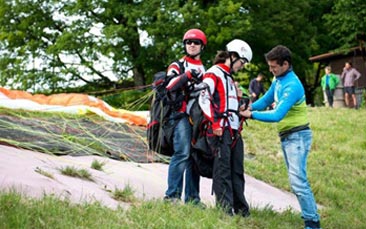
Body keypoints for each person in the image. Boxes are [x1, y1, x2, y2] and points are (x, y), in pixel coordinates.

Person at [240, 45, 321, 229]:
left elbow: (277, 114)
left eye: (274, 66)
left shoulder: (292, 85)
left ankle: (313, 223)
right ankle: (311, 219)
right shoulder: (278, 80)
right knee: (296, 181)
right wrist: (249, 107)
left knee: (298, 182)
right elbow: (266, 100)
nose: (271, 70)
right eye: (269, 66)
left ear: (285, 64)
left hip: (298, 137)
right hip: (288, 136)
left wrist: (250, 115)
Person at [199, 39, 252, 217]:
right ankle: (224, 209)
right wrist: (214, 124)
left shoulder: (229, 78)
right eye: (242, 62)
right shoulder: (213, 73)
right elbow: (203, 99)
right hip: (220, 131)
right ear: (233, 56)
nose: (242, 66)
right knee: (223, 171)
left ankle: (241, 209)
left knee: (237, 170)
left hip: (234, 131)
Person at [164, 28, 206, 205]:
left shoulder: (205, 68)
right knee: (182, 153)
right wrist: (186, 76)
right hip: (180, 115)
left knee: (194, 157)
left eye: (196, 42)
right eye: (189, 42)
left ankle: (192, 198)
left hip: (198, 117)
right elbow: (169, 85)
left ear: (202, 46)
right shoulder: (178, 64)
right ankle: (172, 195)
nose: (192, 45)